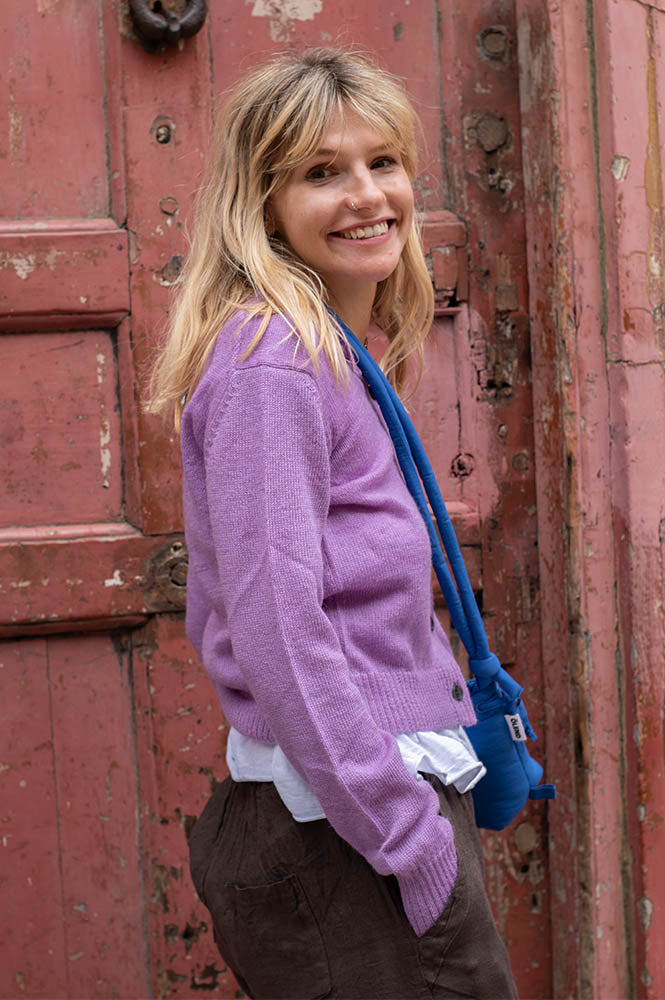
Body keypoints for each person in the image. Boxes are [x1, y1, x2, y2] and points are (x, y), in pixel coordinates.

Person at [150, 47, 518, 1000]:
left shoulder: (336, 353)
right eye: (321, 172)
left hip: (362, 817)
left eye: (382, 161)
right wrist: (409, 840)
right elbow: (279, 626)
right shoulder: (273, 363)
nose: (366, 195)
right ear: (263, 205)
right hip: (347, 835)